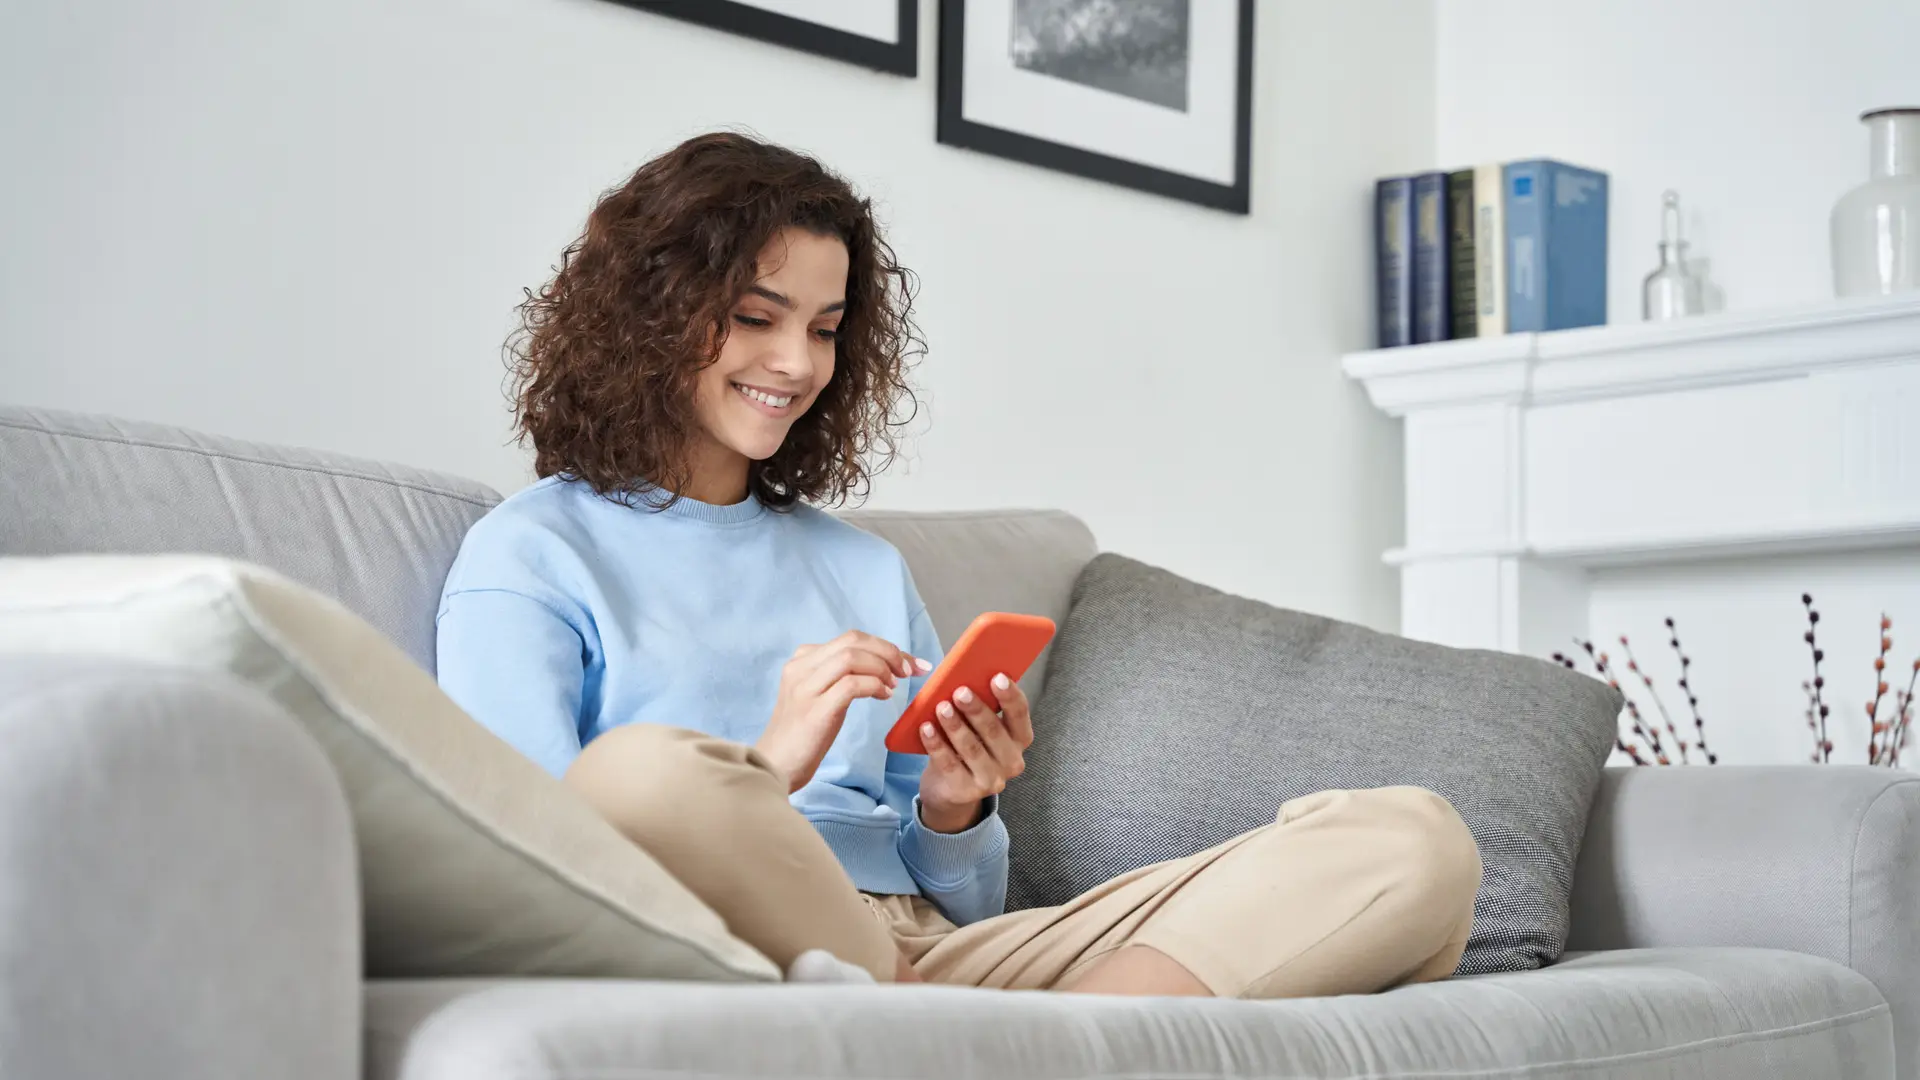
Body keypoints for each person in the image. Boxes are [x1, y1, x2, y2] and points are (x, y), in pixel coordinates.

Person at [436, 131, 1481, 996]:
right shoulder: (532, 553)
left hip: (932, 961)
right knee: (642, 772)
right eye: (756, 318)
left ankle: (1072, 1043)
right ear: (648, 316)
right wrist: (767, 769)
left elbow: (968, 902)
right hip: (745, 938)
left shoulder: (861, 567)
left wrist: (952, 807)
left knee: (1412, 841)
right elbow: (530, 862)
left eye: (826, 328)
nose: (797, 364)